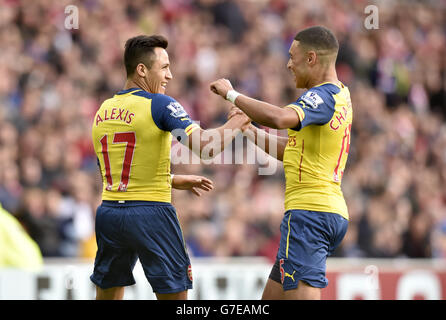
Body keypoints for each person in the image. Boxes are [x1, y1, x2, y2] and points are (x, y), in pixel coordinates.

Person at [90, 35, 249, 300]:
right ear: (142, 70)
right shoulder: (160, 104)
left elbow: (114, 170)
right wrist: (240, 121)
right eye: (164, 67)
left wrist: (171, 179)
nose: (170, 75)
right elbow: (206, 147)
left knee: (106, 296)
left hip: (109, 214)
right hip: (151, 214)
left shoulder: (103, 110)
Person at [210, 26, 352, 300]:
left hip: (310, 213)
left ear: (311, 58)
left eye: (292, 56)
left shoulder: (321, 96)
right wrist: (249, 131)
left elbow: (280, 118)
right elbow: (292, 150)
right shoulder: (340, 94)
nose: (288, 64)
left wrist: (232, 94)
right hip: (323, 210)